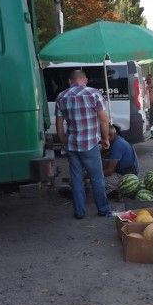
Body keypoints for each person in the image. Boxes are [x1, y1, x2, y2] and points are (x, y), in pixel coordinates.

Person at [55, 70, 111, 219]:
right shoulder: (94, 94)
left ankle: (79, 212)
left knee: (76, 179)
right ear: (85, 80)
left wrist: (64, 141)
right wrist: (105, 138)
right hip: (90, 144)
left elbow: (59, 125)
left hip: (72, 145)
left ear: (70, 81)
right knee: (97, 178)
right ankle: (103, 210)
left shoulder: (61, 97)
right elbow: (104, 119)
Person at [103, 125, 139, 194]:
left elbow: (109, 171)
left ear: (109, 136)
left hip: (127, 175)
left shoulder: (117, 145)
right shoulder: (118, 138)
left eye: (102, 136)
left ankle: (116, 191)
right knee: (102, 163)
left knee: (97, 181)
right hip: (128, 170)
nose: (100, 138)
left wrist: (91, 175)